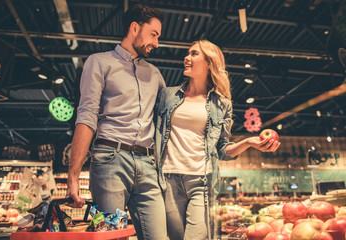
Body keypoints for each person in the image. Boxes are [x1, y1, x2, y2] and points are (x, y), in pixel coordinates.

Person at [155, 40, 281, 240]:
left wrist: (248, 142)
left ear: (208, 63)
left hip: (201, 180)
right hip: (167, 178)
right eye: (187, 53)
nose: (186, 58)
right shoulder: (167, 95)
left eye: (194, 54)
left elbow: (221, 149)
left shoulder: (221, 104)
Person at [66, 5, 167, 240]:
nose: (157, 43)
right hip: (110, 159)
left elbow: (170, 116)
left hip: (148, 164)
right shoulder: (99, 62)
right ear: (134, 28)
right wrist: (73, 176)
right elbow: (87, 116)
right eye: (154, 34)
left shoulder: (154, 74)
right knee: (112, 237)